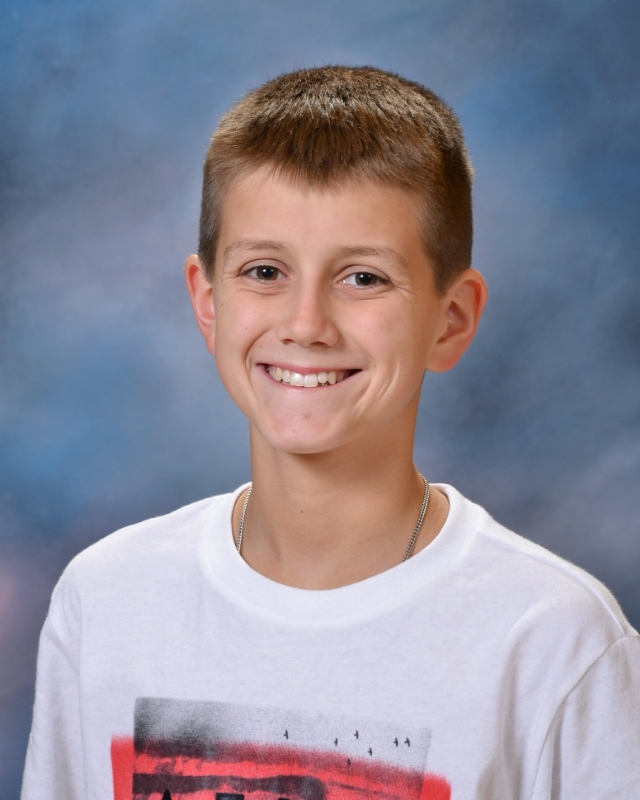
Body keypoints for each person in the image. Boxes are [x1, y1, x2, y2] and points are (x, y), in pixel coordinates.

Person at [22, 66, 640, 800]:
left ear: (451, 320)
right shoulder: (107, 602)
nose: (306, 324)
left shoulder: (554, 641)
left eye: (364, 278)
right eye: (264, 271)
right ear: (208, 303)